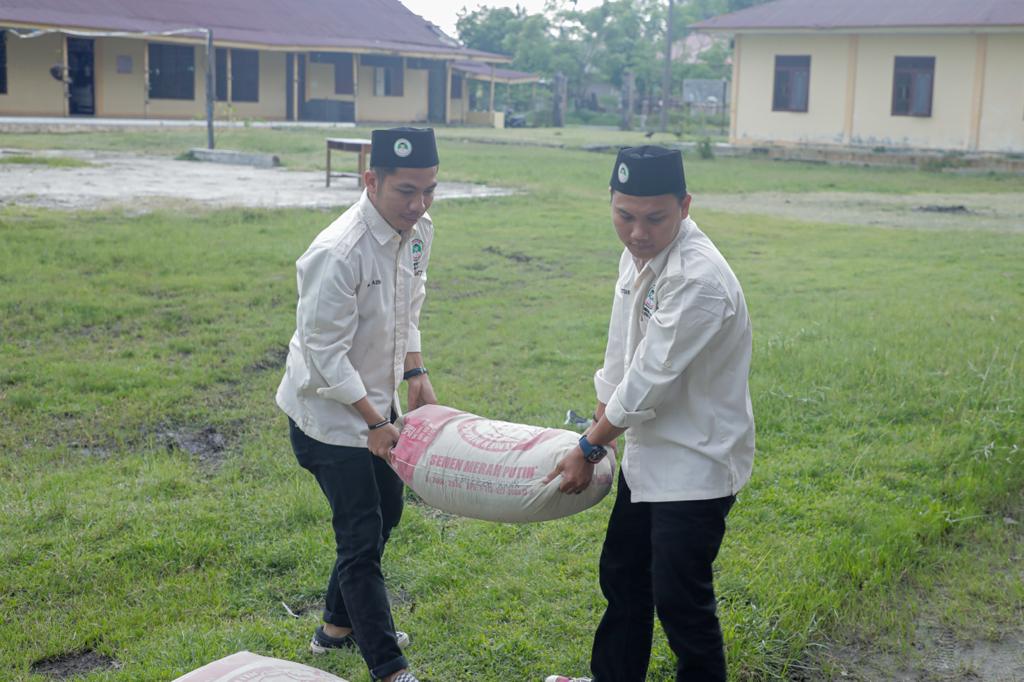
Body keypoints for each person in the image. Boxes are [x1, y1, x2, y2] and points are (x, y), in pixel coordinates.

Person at [544, 145, 755, 682]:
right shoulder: (639, 254)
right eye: (625, 215)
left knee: (680, 602)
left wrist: (590, 445)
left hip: (695, 464)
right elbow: (622, 355)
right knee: (623, 578)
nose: (638, 231)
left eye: (655, 218)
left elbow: (647, 382)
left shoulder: (696, 278)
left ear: (684, 206)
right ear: (611, 203)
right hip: (647, 457)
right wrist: (604, 432)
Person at [276, 127, 441, 682]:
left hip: (381, 407)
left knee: (386, 513)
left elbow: (409, 304)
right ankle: (389, 668)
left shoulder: (416, 233)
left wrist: (415, 373)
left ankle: (335, 630)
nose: (418, 205)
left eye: (430, 191)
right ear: (371, 180)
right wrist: (373, 421)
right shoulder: (337, 250)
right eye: (406, 191)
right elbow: (323, 350)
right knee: (361, 537)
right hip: (328, 417)